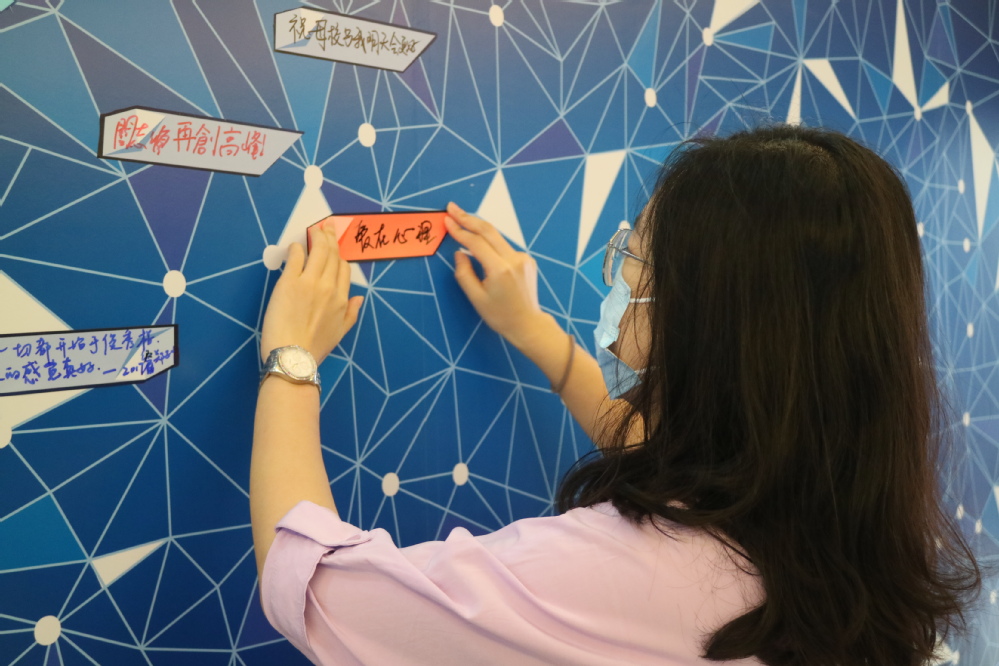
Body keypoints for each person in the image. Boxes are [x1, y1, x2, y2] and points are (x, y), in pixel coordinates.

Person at [250, 125, 980, 665]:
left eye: (638, 252)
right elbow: (650, 446)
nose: (624, 269)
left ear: (707, 316)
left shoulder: (605, 575)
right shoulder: (839, 521)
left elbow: (318, 591)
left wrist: (290, 359)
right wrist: (534, 332)